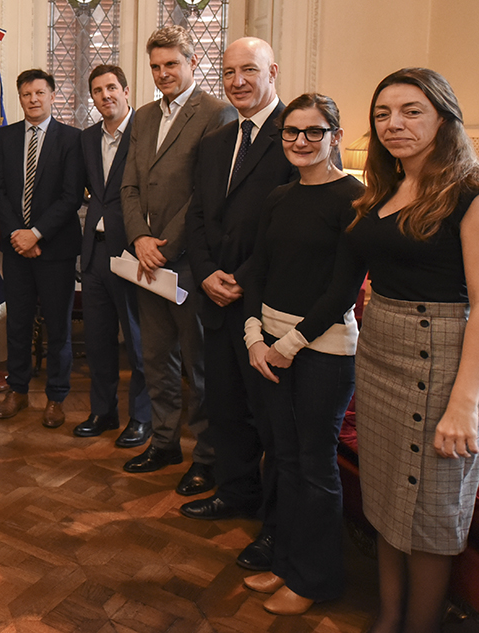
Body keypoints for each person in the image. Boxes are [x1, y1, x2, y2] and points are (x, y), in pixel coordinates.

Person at [346, 68, 479, 633]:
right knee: (388, 500)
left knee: (432, 512)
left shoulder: (474, 193)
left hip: (442, 361)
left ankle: (420, 626)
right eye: (383, 113)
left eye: (411, 111)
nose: (394, 124)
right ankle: (389, 617)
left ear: (444, 116)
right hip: (382, 351)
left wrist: (464, 403)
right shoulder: (387, 187)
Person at [239, 94, 364, 615]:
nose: (300, 142)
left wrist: (289, 344)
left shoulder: (354, 199)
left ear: (335, 135)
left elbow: (342, 289)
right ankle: (286, 565)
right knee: (284, 460)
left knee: (314, 467)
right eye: (292, 132)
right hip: (269, 344)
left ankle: (316, 580)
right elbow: (257, 270)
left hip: (323, 351)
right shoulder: (278, 197)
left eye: (314, 132)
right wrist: (253, 335)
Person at [181, 38, 295, 572]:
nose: (238, 81)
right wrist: (205, 273)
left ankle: (276, 527)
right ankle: (236, 491)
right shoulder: (214, 142)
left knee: (270, 420)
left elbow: (294, 226)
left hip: (268, 306)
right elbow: (198, 217)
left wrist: (242, 280)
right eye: (229, 72)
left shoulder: (298, 134)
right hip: (216, 299)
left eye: (249, 70)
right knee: (224, 405)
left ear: (272, 71)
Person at [120, 25, 236, 493]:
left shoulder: (216, 113)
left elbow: (206, 194)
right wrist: (140, 239)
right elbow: (127, 185)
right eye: (155, 66)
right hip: (146, 262)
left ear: (192, 63)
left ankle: (206, 456)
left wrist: (163, 245)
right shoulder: (144, 116)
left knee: (198, 363)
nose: (163, 73)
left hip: (187, 261)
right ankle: (165, 442)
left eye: (172, 64)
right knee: (154, 357)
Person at [0, 68, 83, 428]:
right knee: (18, 323)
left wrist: (37, 233)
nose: (33, 99)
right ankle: (17, 389)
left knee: (58, 325)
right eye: (27, 94)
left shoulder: (71, 139)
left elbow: (71, 196)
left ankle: (56, 397)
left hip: (55, 249)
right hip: (15, 248)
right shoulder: (6, 137)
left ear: (52, 95)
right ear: (20, 98)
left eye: (40, 93)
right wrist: (18, 233)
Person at [75, 65, 150, 445]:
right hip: (94, 255)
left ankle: (141, 417)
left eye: (111, 88)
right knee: (98, 342)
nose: (105, 95)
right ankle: (103, 411)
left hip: (134, 253)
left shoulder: (146, 133)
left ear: (125, 91)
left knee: (138, 343)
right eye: (98, 90)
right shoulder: (87, 138)